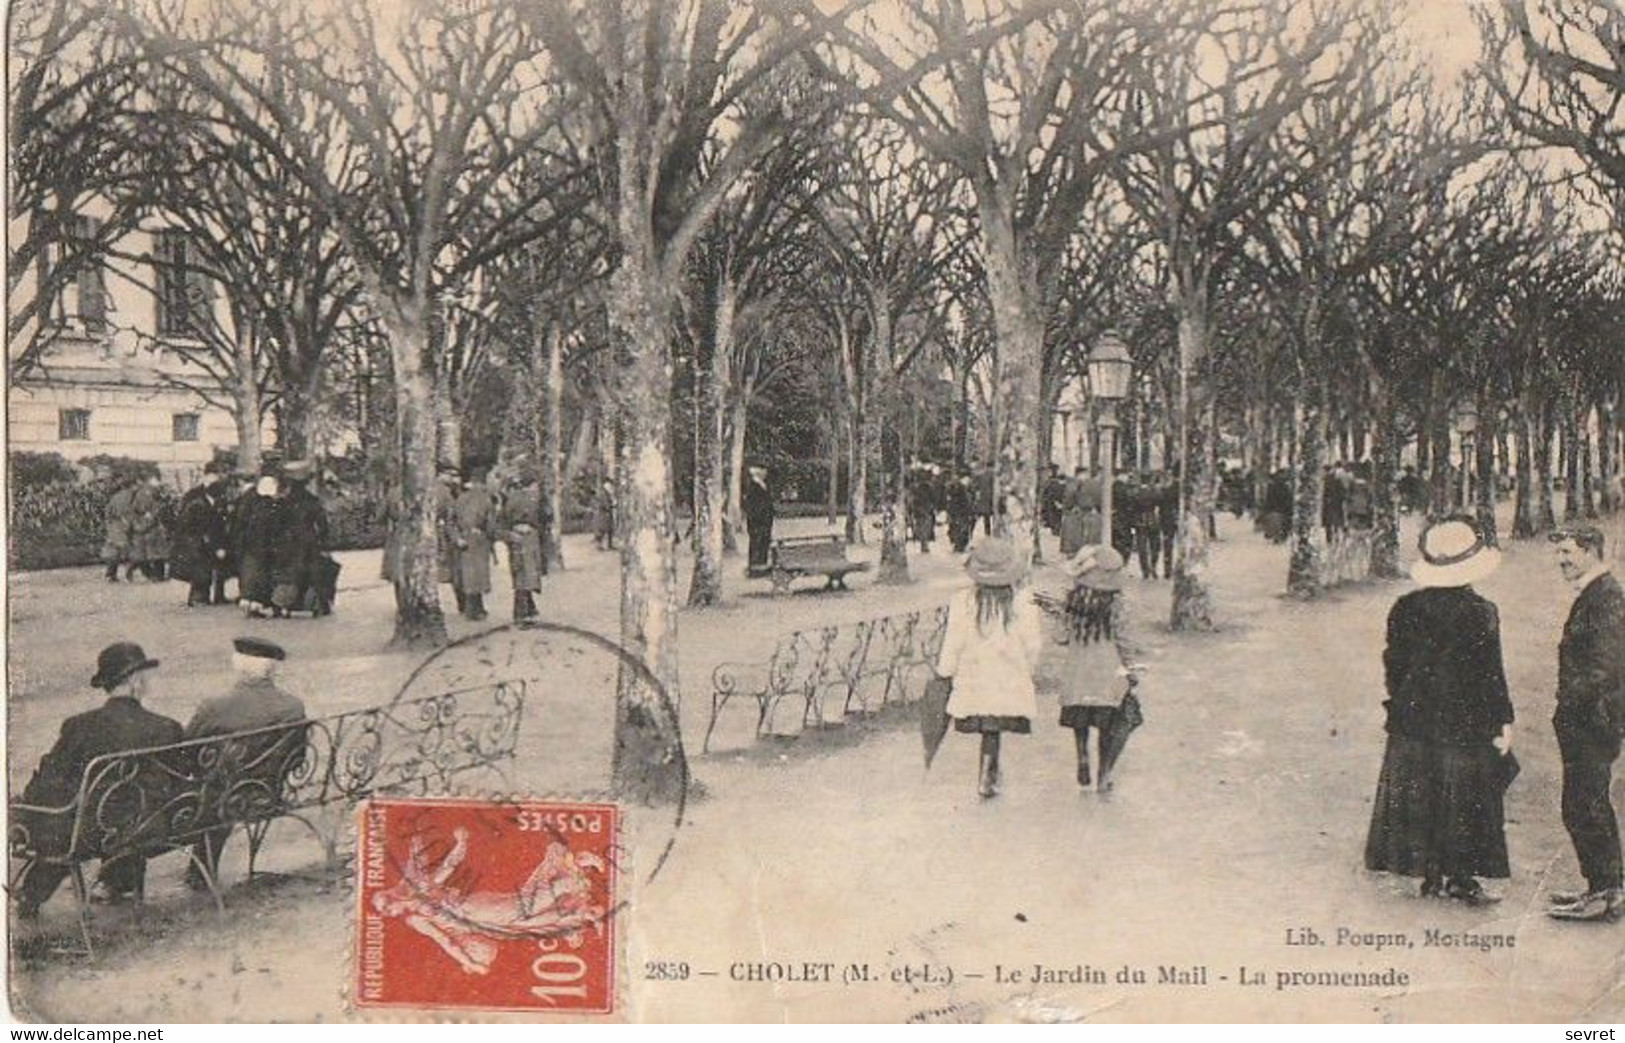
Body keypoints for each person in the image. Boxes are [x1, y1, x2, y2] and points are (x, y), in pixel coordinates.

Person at [1364, 516, 1514, 906]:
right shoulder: (1481, 612)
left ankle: (1430, 873)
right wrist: (1502, 720)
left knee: (1423, 790)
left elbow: (1392, 664)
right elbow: (1490, 674)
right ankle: (1461, 877)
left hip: (1413, 717)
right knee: (1464, 797)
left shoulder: (1404, 607)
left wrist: (1400, 702)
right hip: (1465, 720)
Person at [12, 643, 183, 919]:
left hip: (93, 831)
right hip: (150, 826)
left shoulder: (79, 726)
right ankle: (118, 879)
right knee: (119, 810)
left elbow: (49, 781)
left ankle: (32, 895)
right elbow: (179, 781)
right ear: (136, 682)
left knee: (66, 820)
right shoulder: (166, 727)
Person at [182, 637, 307, 891]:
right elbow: (298, 757)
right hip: (268, 793)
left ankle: (201, 872)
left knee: (213, 788)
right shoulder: (293, 706)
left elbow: (186, 753)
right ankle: (200, 870)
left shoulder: (215, 706)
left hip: (221, 799)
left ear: (237, 666)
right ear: (272, 668)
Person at [1546, 525, 1625, 922]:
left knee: (1583, 803)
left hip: (1593, 721)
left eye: (1568, 552)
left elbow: (1605, 668)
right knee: (1587, 802)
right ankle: (1606, 888)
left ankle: (1602, 892)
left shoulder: (1606, 597)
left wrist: (1573, 708)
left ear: (1592, 550)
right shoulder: (1597, 594)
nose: (1561, 561)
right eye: (1559, 553)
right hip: (1590, 719)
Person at [934, 538, 1043, 799]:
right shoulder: (1022, 602)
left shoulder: (963, 601)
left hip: (976, 676)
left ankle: (987, 771)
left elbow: (954, 639)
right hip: (1007, 675)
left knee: (987, 724)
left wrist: (946, 670)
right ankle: (988, 771)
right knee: (995, 723)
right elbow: (1033, 642)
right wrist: (1028, 668)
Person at [1047, 546, 1145, 792]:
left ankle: (1082, 755)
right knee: (1110, 725)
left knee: (1081, 720)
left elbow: (1059, 637)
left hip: (1077, 672)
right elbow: (1125, 641)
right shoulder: (1117, 604)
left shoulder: (1073, 602)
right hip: (1108, 673)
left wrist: (1062, 616)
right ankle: (1104, 773)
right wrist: (1131, 669)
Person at [270, 460, 331, 617]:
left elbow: (275, 524)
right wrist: (323, 543)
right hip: (308, 542)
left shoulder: (281, 502)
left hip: (286, 543)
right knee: (312, 575)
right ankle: (316, 605)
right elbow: (323, 525)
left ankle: (281, 604)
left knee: (286, 575)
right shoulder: (312, 501)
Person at [171, 463, 232, 607]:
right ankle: (199, 597)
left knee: (213, 567)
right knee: (201, 568)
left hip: (211, 538)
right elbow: (191, 523)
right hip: (197, 540)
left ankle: (216, 595)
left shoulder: (216, 497)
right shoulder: (195, 497)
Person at [451, 465, 500, 621]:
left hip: (463, 538)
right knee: (478, 574)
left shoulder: (459, 499)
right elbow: (491, 525)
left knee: (466, 574)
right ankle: (476, 609)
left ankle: (468, 607)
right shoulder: (486, 500)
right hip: (479, 539)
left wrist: (457, 537)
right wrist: (492, 538)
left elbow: (450, 522)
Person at [500, 474, 545, 627]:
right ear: (532, 485)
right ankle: (521, 614)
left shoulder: (512, 498)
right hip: (528, 538)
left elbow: (503, 520)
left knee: (522, 573)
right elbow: (544, 517)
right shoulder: (533, 499)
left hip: (516, 538)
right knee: (526, 575)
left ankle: (529, 608)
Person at [235, 471, 282, 617]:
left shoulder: (252, 503)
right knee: (262, 575)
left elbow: (241, 523)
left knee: (251, 574)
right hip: (265, 548)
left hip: (250, 546)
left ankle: (249, 601)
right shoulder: (272, 508)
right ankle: (258, 603)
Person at [128, 473, 168, 581]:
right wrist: (150, 517)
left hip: (145, 525)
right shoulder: (148, 492)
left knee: (148, 552)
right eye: (156, 479)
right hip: (150, 526)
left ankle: (152, 574)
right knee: (154, 552)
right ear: (151, 479)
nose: (159, 482)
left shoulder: (144, 492)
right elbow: (151, 509)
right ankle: (156, 575)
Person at [1058, 468, 1101, 559]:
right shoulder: (1095, 483)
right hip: (1092, 513)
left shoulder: (1074, 483)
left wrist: (1066, 508)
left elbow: (1069, 497)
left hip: (1077, 513)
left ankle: (1074, 555)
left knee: (1074, 537)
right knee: (1090, 538)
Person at [101, 476, 136, 583]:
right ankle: (129, 573)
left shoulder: (115, 497)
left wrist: (110, 525)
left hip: (115, 526)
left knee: (114, 552)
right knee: (131, 550)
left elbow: (107, 512)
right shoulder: (132, 496)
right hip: (128, 525)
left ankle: (110, 574)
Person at [744, 464, 775, 570]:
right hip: (757, 520)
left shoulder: (764, 484)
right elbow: (752, 505)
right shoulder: (752, 486)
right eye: (763, 470)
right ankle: (755, 565)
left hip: (765, 519)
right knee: (756, 542)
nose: (765, 473)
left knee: (764, 542)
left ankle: (762, 564)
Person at [945, 471, 976, 553]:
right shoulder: (951, 488)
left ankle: (960, 545)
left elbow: (966, 500)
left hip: (960, 511)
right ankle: (958, 545)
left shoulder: (960, 488)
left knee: (961, 528)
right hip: (956, 511)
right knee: (957, 528)